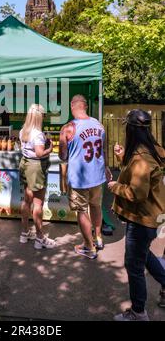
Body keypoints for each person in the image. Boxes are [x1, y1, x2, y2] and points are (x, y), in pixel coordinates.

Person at [108, 109, 165, 321]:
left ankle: (138, 313)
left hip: (142, 219)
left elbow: (137, 193)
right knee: (145, 255)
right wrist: (123, 156)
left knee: (134, 265)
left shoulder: (142, 159)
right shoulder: (150, 150)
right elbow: (139, 174)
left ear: (131, 130)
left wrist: (115, 186)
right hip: (151, 217)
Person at [59, 94, 112, 259]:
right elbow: (104, 150)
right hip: (97, 175)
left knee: (82, 210)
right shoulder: (99, 125)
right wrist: (107, 167)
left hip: (79, 179)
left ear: (72, 106)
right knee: (95, 206)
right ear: (86, 106)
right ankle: (98, 238)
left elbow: (62, 156)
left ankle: (89, 246)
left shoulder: (68, 128)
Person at [19, 104, 56, 249]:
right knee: (38, 204)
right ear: (40, 116)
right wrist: (50, 148)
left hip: (25, 164)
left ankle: (24, 233)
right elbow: (40, 153)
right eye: (44, 115)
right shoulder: (38, 134)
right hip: (35, 167)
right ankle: (40, 238)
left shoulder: (23, 131)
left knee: (27, 200)